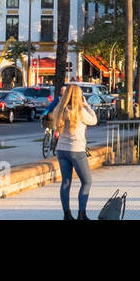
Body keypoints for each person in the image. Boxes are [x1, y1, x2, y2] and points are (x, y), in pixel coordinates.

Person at [50, 84, 98, 220]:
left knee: (66, 181)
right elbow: (94, 120)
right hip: (76, 150)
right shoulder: (80, 111)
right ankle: (81, 214)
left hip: (61, 150)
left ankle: (67, 214)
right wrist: (86, 104)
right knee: (87, 181)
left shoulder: (60, 109)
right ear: (79, 96)